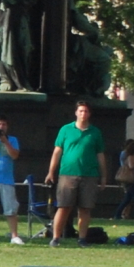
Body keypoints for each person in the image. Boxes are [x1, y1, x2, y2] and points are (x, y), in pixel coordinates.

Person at [49, 100, 106, 244]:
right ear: (76, 113)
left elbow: (100, 155)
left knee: (85, 209)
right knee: (63, 207)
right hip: (67, 174)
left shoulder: (95, 133)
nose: (83, 114)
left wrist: (104, 176)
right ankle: (56, 237)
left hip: (90, 175)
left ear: (89, 114)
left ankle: (82, 238)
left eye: (86, 111)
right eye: (80, 111)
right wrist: (51, 172)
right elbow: (57, 152)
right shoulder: (65, 130)